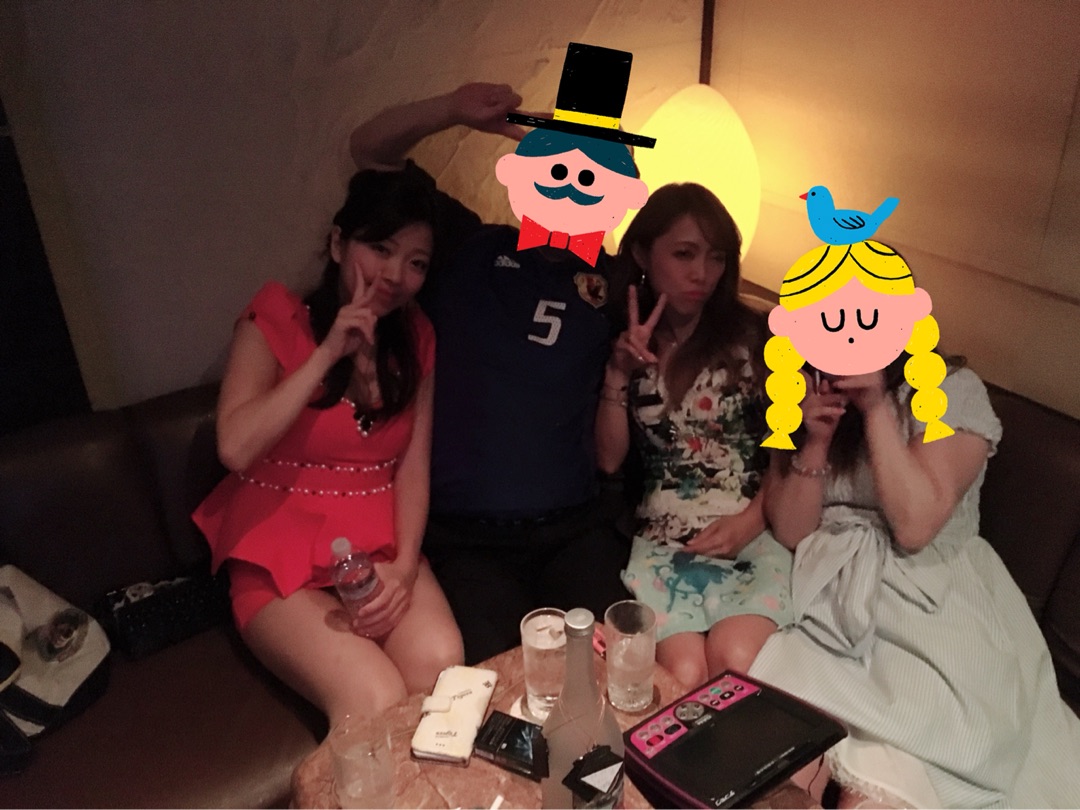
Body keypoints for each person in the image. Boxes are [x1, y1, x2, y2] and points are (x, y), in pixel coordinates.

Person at [749, 241, 1080, 808]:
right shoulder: (807, 392)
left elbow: (915, 525)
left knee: (898, 778)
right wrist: (816, 440)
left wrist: (877, 405)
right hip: (833, 597)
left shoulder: (953, 393)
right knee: (773, 765)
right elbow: (792, 531)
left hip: (933, 598)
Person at [349, 79, 641, 665]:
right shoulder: (468, 247)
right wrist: (453, 110)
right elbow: (370, 150)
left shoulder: (615, 286)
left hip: (574, 531)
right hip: (468, 541)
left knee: (624, 665)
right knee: (508, 682)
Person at [192, 167, 463, 727]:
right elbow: (234, 447)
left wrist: (405, 570)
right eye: (380, 249)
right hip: (277, 555)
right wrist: (327, 353)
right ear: (339, 244)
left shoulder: (416, 336)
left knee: (441, 669)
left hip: (377, 549)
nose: (395, 275)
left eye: (415, 263)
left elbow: (412, 468)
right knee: (375, 698)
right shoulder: (275, 315)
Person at [594, 184, 792, 689]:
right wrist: (617, 373)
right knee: (682, 675)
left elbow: (787, 446)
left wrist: (753, 519)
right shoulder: (618, 334)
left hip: (750, 530)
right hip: (663, 541)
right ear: (643, 254)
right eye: (684, 254)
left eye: (716, 257)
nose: (702, 273)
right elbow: (609, 460)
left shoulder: (756, 336)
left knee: (736, 662)